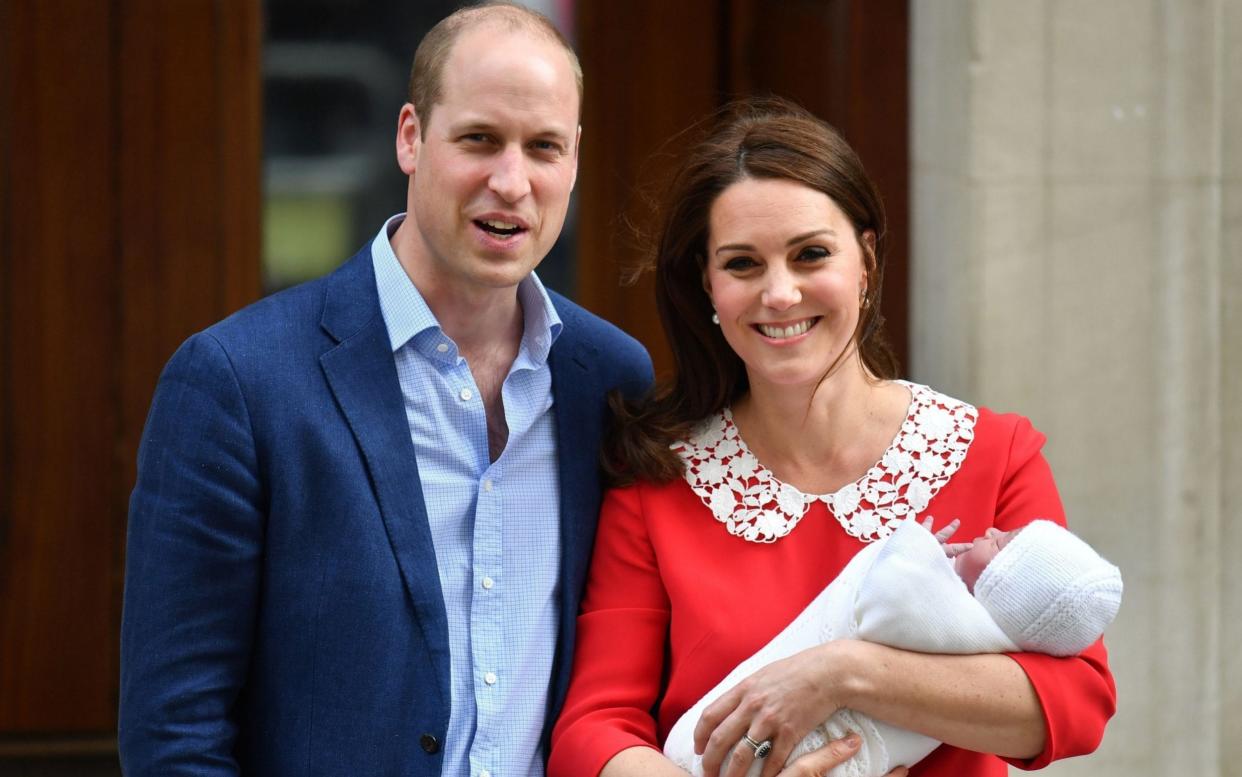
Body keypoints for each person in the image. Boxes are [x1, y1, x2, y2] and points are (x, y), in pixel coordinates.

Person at [118, 3, 652, 776]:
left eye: (543, 147)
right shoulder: (236, 381)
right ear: (410, 136)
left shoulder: (610, 379)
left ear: (575, 158)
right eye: (478, 140)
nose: (512, 181)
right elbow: (176, 733)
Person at [547, 98, 1116, 777]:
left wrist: (846, 673)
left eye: (810, 253)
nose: (780, 293)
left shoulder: (994, 454)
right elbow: (592, 732)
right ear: (708, 282)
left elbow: (1077, 703)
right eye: (742, 264)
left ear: (866, 260)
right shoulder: (658, 485)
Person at [663, 517, 1124, 777]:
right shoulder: (651, 472)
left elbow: (1076, 707)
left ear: (1008, 588)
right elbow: (598, 721)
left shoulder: (958, 626)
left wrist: (840, 672)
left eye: (1003, 545)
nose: (991, 532)